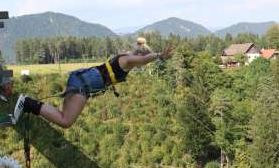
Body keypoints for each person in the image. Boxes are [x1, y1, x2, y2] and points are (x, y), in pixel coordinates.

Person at [12, 44, 173, 128]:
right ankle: (27, 103)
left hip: (80, 79)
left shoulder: (125, 58)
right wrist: (159, 55)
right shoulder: (127, 60)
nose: (141, 65)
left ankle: (27, 104)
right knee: (66, 121)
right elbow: (143, 60)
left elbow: (141, 60)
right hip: (83, 84)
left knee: (63, 116)